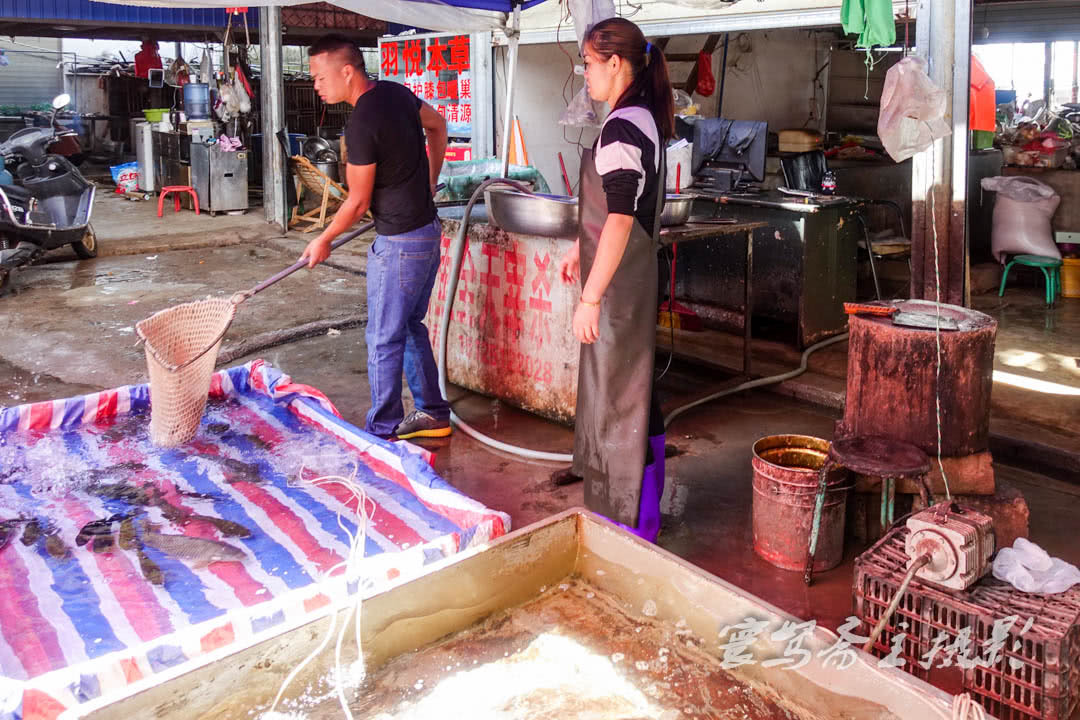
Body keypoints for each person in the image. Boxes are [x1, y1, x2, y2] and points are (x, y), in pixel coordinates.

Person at [302, 35, 452, 441]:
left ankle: (381, 430)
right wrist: (431, 180)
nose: (316, 85)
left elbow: (357, 200)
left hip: (401, 244)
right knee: (408, 326)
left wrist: (325, 239)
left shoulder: (361, 124)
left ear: (347, 71)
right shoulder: (395, 94)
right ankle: (434, 414)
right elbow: (439, 126)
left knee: (384, 336)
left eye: (319, 76)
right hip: (426, 232)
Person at [557, 18, 674, 543]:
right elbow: (611, 219)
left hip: (621, 287)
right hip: (627, 272)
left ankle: (627, 524)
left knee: (619, 398)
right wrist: (583, 258)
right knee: (635, 392)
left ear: (614, 62)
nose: (585, 74)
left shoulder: (624, 126)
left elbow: (621, 219)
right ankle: (640, 514)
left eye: (587, 62)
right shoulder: (643, 116)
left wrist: (590, 294)